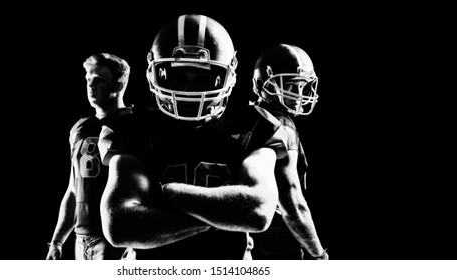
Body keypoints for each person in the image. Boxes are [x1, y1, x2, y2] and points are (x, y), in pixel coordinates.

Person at [97, 14, 286, 259]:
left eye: (205, 77)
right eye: (177, 76)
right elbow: (120, 226)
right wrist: (223, 214)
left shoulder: (252, 125)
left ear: (229, 77)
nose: (188, 89)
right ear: (154, 72)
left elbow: (257, 211)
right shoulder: (132, 127)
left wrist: (171, 193)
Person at [46, 53, 133, 260]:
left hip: (114, 241)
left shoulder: (135, 125)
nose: (91, 86)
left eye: (99, 80)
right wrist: (57, 241)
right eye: (88, 80)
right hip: (81, 239)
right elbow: (73, 190)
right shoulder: (80, 128)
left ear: (119, 85)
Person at [248, 43, 328, 260]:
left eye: (302, 87)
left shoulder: (246, 120)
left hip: (248, 244)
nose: (299, 95)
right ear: (262, 84)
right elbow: (292, 203)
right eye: (291, 86)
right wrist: (318, 252)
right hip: (279, 247)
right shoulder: (281, 126)